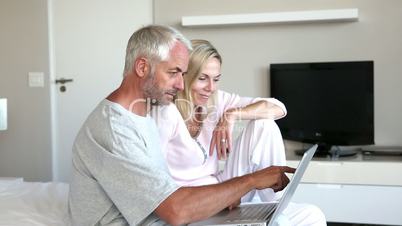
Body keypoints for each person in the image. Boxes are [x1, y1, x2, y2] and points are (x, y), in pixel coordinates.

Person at [68, 25, 296, 226]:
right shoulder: (116, 129)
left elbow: (166, 198)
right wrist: (250, 181)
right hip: (164, 216)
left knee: (308, 217)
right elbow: (175, 210)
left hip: (174, 211)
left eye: (184, 74)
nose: (180, 84)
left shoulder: (143, 112)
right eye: (174, 73)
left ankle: (273, 211)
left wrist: (225, 193)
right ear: (142, 68)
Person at [152, 39, 327, 225]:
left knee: (313, 213)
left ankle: (276, 205)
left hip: (219, 187)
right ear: (185, 76)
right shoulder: (165, 113)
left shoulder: (216, 101)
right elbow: (158, 185)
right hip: (194, 204)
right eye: (202, 78)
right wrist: (219, 197)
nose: (211, 88)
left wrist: (233, 114)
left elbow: (278, 108)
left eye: (216, 79)